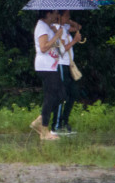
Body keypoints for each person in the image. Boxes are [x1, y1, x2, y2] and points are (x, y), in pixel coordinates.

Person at [29, 9, 65, 141]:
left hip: (52, 66)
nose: (57, 15)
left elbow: (56, 45)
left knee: (61, 95)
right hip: (45, 66)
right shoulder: (41, 26)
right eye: (55, 13)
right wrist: (55, 36)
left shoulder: (49, 26)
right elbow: (43, 47)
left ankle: (40, 120)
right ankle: (44, 130)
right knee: (50, 96)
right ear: (48, 14)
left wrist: (56, 33)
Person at [50, 10, 82, 134]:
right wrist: (74, 41)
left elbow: (78, 27)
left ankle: (64, 121)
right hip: (61, 65)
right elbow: (61, 50)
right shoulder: (57, 29)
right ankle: (56, 126)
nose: (69, 18)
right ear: (59, 16)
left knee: (73, 93)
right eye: (66, 15)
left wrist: (69, 21)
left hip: (68, 65)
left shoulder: (65, 27)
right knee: (62, 95)